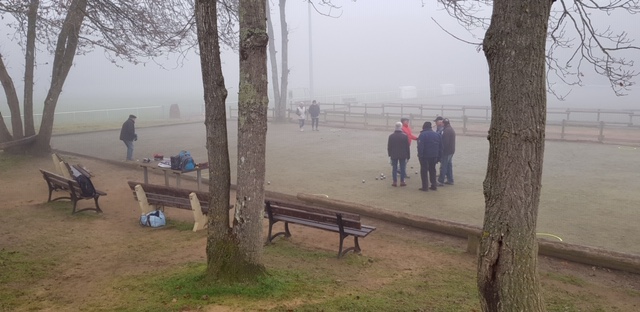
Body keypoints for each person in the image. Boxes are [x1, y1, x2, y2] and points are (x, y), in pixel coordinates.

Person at [417, 121, 442, 191]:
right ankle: (434, 185)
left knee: (424, 171)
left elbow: (420, 146)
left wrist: (420, 155)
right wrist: (439, 157)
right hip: (434, 156)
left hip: (425, 156)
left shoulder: (422, 135)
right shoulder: (437, 135)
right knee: (433, 170)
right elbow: (441, 147)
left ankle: (425, 187)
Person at [388, 122, 410, 187]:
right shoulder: (405, 136)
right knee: (402, 168)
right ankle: (402, 181)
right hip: (403, 154)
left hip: (394, 154)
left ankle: (394, 181)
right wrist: (408, 156)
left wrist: (390, 154)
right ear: (401, 127)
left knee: (394, 168)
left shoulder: (391, 136)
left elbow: (389, 146)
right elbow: (407, 147)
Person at [438, 118, 456, 186]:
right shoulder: (450, 129)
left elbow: (445, 142)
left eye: (442, 123)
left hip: (446, 151)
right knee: (449, 165)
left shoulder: (446, 131)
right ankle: (450, 179)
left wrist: (441, 150)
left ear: (444, 123)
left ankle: (441, 181)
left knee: (443, 166)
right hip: (451, 150)